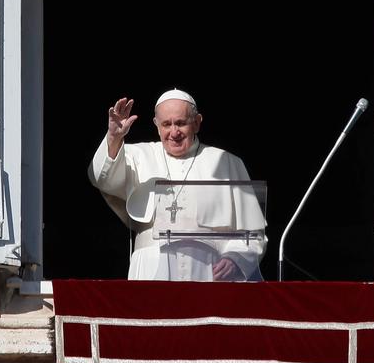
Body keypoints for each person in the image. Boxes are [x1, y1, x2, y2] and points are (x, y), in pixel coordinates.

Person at [88, 89, 267, 281]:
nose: (174, 132)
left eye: (181, 123)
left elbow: (253, 231)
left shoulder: (227, 163)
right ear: (157, 125)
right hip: (151, 270)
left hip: (209, 272)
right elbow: (102, 177)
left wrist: (236, 259)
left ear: (197, 122)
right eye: (166, 124)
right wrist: (114, 138)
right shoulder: (137, 155)